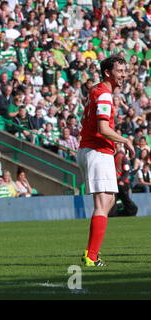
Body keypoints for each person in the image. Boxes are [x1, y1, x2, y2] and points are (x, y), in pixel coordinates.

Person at [76, 56, 135, 267]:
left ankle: (91, 253)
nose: (124, 74)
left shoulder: (97, 90)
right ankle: (91, 256)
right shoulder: (104, 95)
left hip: (93, 150)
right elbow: (103, 129)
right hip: (97, 150)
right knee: (103, 204)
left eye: (125, 70)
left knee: (108, 201)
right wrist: (125, 140)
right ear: (108, 72)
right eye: (120, 70)